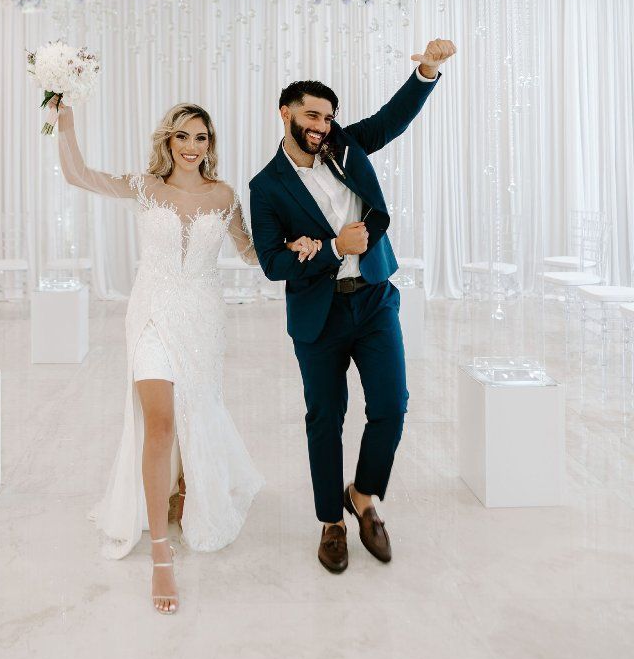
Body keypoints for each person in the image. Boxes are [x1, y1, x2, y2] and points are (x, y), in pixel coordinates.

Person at [248, 39, 456, 573]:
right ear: (285, 113)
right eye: (311, 114)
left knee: (391, 405)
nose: (320, 124)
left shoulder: (345, 146)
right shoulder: (266, 187)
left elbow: (392, 119)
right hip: (318, 317)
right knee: (326, 418)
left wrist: (427, 72)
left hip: (374, 299)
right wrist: (334, 249)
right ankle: (331, 523)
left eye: (327, 116)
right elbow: (273, 263)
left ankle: (362, 496)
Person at [52, 99, 265, 614]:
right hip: (151, 315)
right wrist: (65, 120)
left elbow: (253, 252)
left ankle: (185, 489)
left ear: (210, 145)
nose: (192, 147)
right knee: (160, 423)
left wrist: (310, 245)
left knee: (198, 410)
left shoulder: (225, 195)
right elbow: (78, 174)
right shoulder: (145, 188)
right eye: (183, 136)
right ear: (167, 141)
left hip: (204, 319)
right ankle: (161, 555)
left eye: (202, 138)